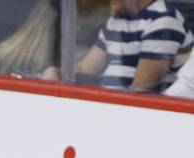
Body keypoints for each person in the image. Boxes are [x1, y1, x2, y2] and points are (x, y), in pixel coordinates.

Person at [43, 0, 193, 92]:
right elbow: (86, 67)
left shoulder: (164, 20)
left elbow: (141, 88)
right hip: (112, 106)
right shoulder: (117, 19)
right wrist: (56, 73)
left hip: (141, 117)